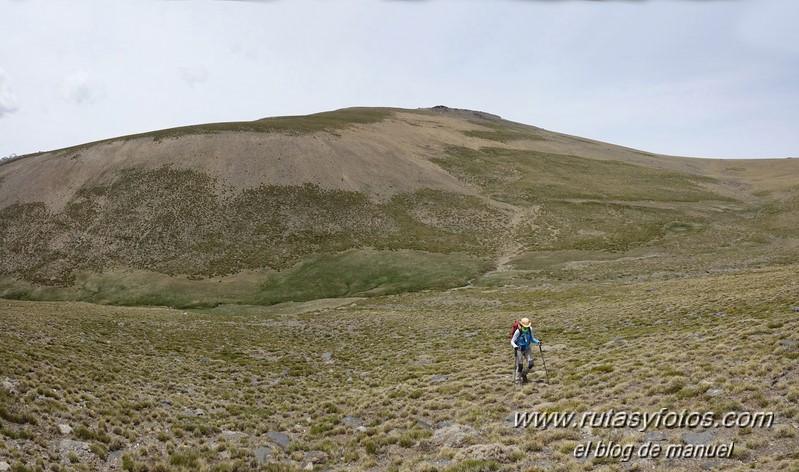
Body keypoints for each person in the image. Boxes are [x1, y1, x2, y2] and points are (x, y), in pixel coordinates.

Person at [511, 317, 542, 384]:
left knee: (531, 363)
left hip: (527, 348)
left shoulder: (530, 329)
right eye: (525, 326)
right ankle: (517, 381)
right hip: (519, 349)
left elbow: (532, 339)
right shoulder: (518, 331)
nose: (526, 327)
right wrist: (515, 346)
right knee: (520, 365)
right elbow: (512, 341)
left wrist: (538, 342)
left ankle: (523, 374)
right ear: (521, 325)